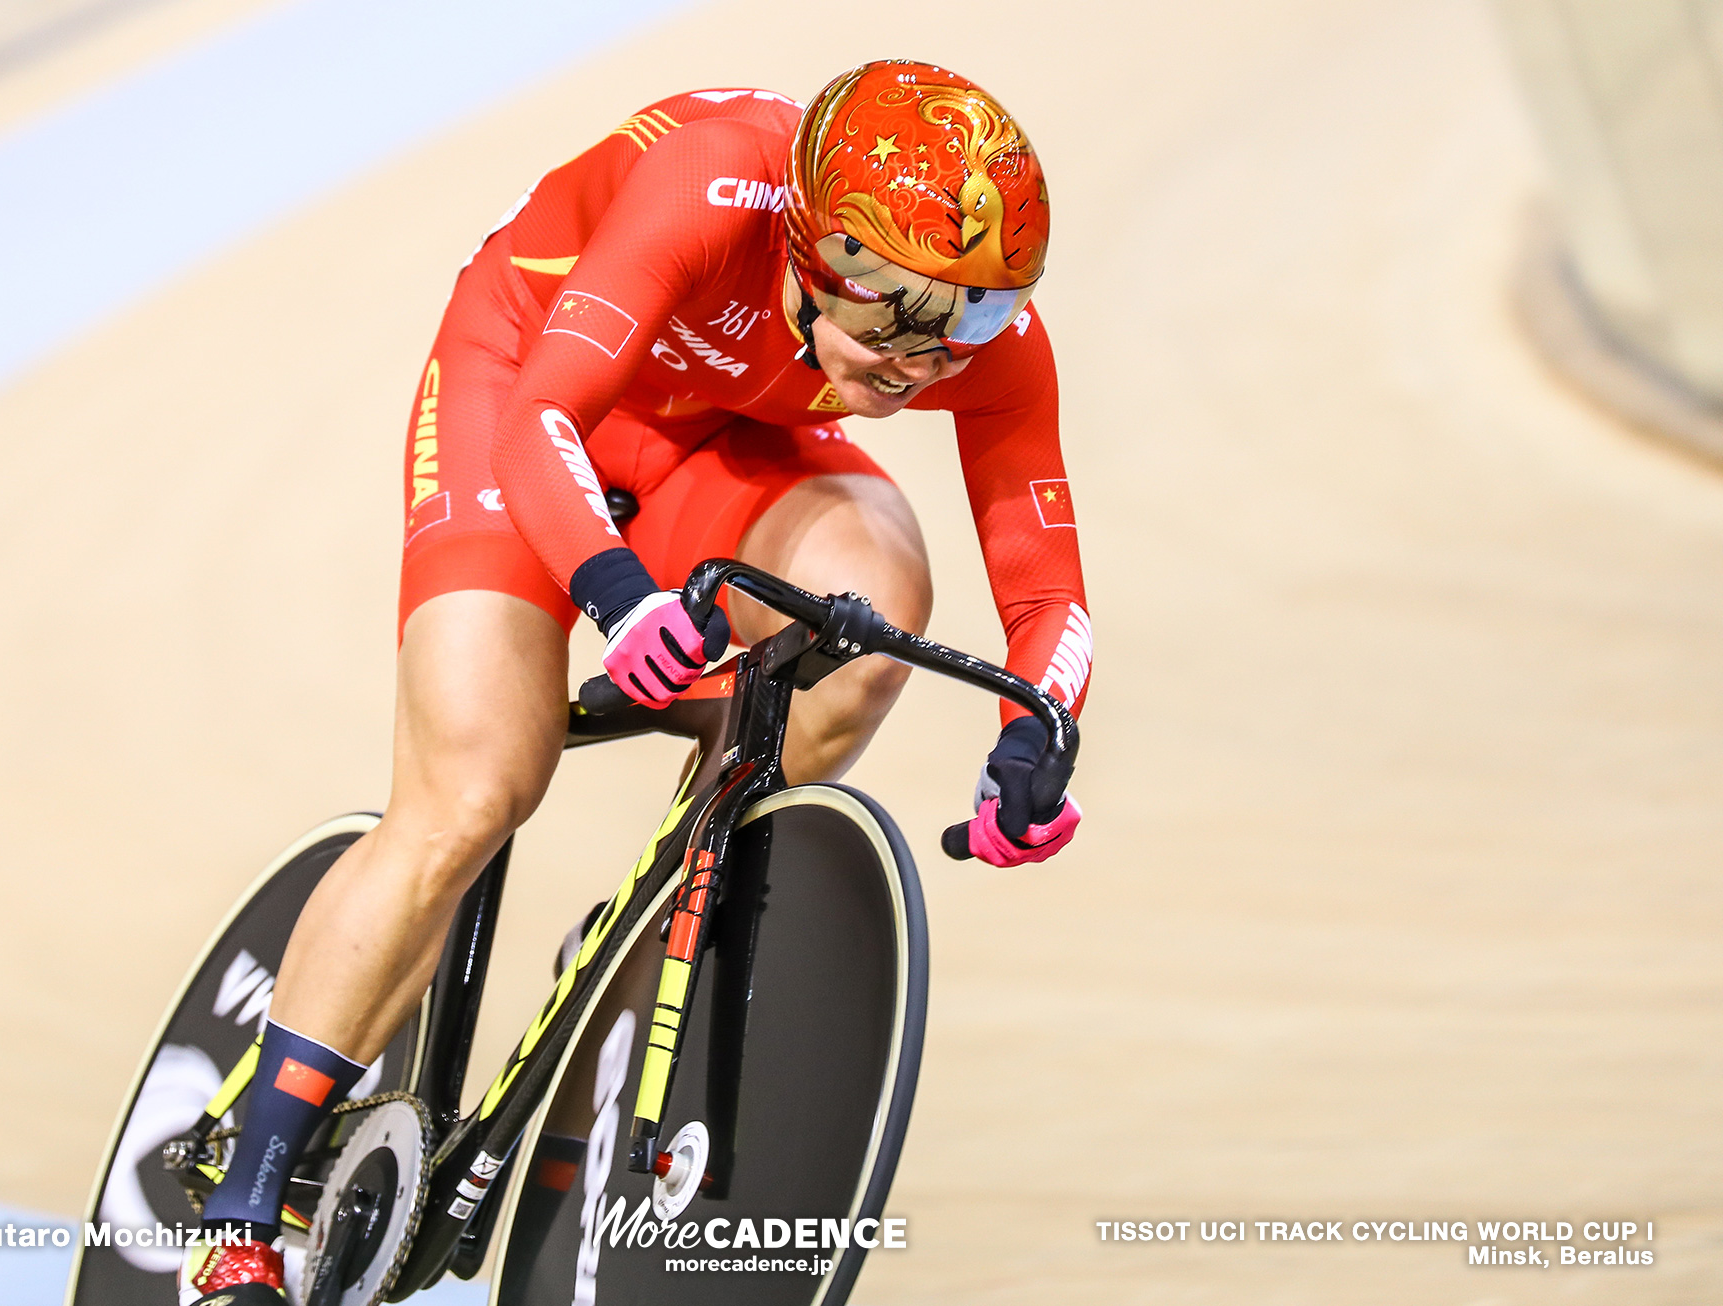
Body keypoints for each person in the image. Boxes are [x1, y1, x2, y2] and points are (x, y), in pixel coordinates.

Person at [179, 59, 1092, 1303]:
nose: (922, 356)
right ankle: (244, 1211)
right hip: (528, 384)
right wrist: (616, 595)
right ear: (813, 249)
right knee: (477, 786)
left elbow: (1048, 593)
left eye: (971, 319)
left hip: (723, 427)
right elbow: (542, 416)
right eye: (888, 307)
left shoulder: (964, 333)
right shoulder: (710, 187)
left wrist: (1038, 733)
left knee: (869, 610)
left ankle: (656, 914)